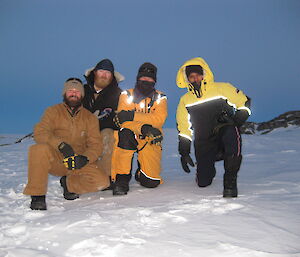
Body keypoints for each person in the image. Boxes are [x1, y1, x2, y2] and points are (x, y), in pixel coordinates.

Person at [23, 78, 109, 210]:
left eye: (77, 91)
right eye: (70, 91)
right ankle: (37, 195)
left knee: (102, 182)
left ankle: (69, 184)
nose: (73, 93)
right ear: (64, 93)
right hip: (58, 159)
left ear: (82, 95)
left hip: (78, 161)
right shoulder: (52, 111)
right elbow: (40, 132)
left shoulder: (90, 118)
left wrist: (85, 158)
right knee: (38, 149)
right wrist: (61, 146)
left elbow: (95, 145)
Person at [176, 57, 251, 197]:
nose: (195, 78)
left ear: (203, 74)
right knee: (203, 183)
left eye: (198, 74)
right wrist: (184, 152)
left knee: (231, 131)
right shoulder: (185, 100)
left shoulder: (222, 88)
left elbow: (244, 102)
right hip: (203, 141)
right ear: (187, 79)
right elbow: (184, 128)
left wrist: (235, 120)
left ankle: (230, 182)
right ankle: (210, 163)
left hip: (223, 134)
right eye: (191, 76)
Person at [111, 62, 168, 195]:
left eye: (150, 79)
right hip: (131, 135)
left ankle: (141, 172)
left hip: (150, 137)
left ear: (154, 81)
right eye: (143, 78)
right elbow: (122, 122)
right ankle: (122, 179)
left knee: (151, 182)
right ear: (138, 78)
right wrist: (143, 128)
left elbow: (159, 120)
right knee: (124, 134)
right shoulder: (126, 95)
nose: (146, 81)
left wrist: (132, 115)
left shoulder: (161, 97)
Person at [82, 59, 124, 186]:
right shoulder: (82, 90)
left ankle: (105, 177)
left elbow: (120, 116)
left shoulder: (118, 94)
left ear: (112, 76)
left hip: (106, 129)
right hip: (82, 129)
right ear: (94, 73)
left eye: (108, 73)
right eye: (101, 71)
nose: (104, 75)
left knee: (108, 137)